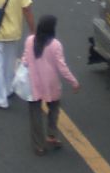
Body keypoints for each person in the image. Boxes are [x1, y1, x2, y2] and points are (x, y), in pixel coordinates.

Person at [21, 14, 80, 153]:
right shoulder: (55, 45)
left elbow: (25, 60)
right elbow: (62, 67)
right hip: (51, 85)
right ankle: (51, 135)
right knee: (54, 109)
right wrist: (74, 82)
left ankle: (38, 145)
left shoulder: (30, 40)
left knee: (35, 114)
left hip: (33, 84)